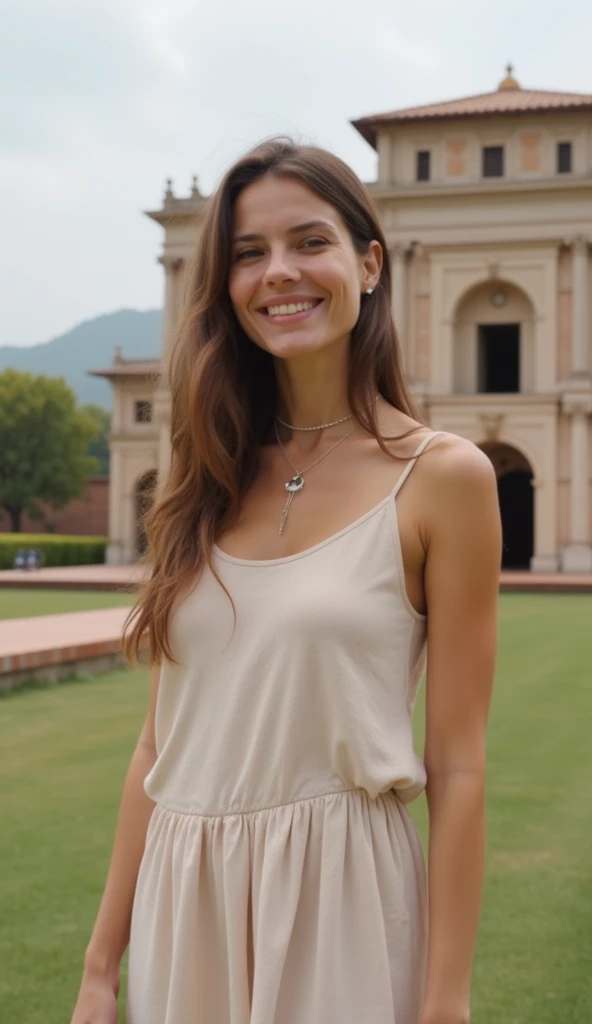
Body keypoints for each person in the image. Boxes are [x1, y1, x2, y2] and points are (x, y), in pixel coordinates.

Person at [71, 138, 501, 1024]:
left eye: (309, 242)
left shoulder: (444, 478)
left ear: (369, 263)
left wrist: (446, 999)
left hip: (340, 898)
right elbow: (158, 749)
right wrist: (99, 968)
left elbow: (456, 763)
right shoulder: (208, 475)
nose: (280, 273)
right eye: (248, 253)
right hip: (180, 902)